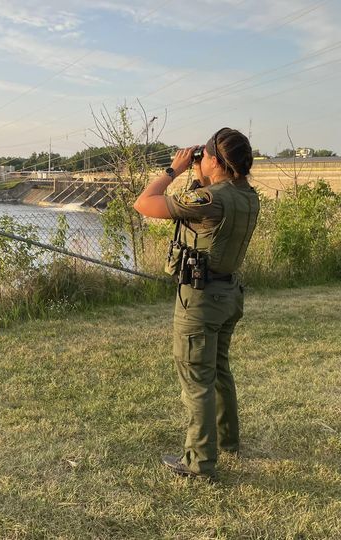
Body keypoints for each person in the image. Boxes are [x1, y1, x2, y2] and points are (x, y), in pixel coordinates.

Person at [133, 127, 260, 482]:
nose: (199, 163)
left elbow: (143, 203)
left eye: (204, 158)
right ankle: (228, 441)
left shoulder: (212, 199)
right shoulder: (247, 195)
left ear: (216, 162)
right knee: (219, 371)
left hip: (201, 300)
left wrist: (174, 170)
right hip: (229, 295)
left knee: (197, 380)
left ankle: (199, 461)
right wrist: (199, 174)